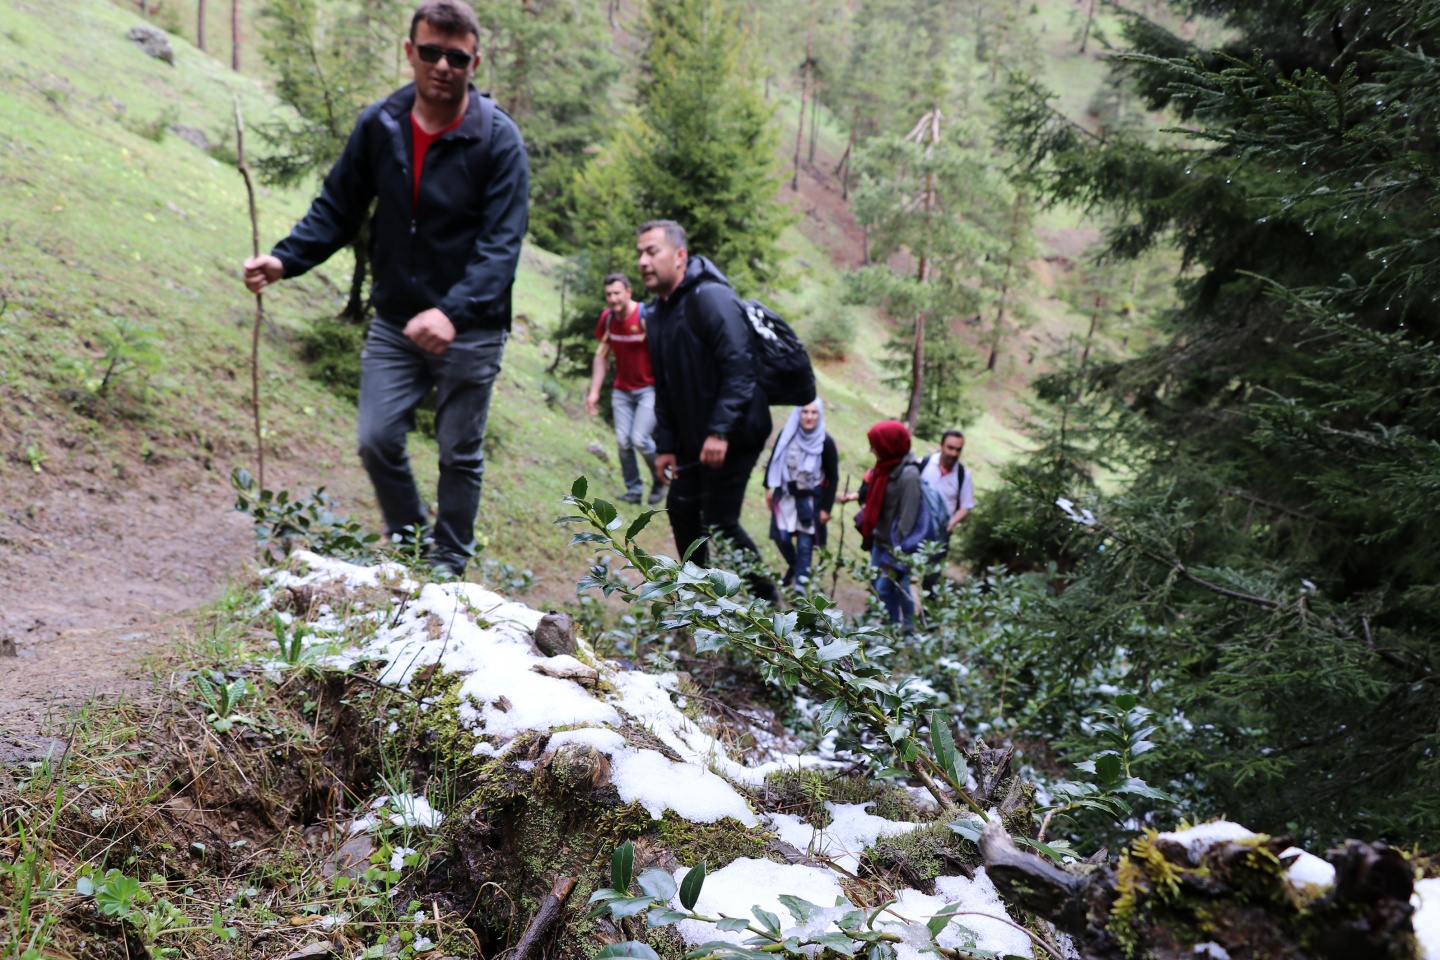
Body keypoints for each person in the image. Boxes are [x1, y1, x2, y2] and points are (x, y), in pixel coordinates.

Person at [241, 0, 529, 578]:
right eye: (430, 52)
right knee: (375, 438)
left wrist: (451, 312)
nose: (442, 66)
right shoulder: (381, 124)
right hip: (396, 318)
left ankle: (447, 568)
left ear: (476, 60)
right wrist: (284, 259)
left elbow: (502, 246)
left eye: (456, 56)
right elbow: (338, 206)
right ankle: (411, 547)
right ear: (410, 52)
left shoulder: (499, 141)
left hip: (470, 328)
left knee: (458, 452)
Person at [639, 220, 777, 601]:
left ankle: (771, 609)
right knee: (681, 507)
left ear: (679, 256)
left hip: (737, 430)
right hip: (691, 436)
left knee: (719, 517)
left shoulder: (711, 298)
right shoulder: (658, 313)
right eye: (639, 254)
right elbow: (663, 385)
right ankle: (699, 601)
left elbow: (741, 366)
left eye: (652, 251)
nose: (643, 261)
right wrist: (665, 442)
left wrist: (719, 431)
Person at [585, 273, 664, 506]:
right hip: (622, 390)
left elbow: (663, 352)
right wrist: (594, 392)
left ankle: (661, 478)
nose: (613, 298)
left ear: (628, 292)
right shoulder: (608, 319)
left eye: (617, 293)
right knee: (623, 440)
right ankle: (634, 490)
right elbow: (601, 356)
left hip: (649, 389)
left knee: (639, 439)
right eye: (608, 294)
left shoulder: (644, 316)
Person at [763, 399, 838, 591]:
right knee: (781, 537)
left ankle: (801, 584)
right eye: (805, 412)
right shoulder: (787, 435)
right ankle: (796, 567)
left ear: (819, 415)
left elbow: (833, 477)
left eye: (814, 413)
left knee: (805, 543)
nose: (809, 417)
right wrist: (768, 488)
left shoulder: (826, 442)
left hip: (810, 500)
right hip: (787, 495)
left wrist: (826, 509)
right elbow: (774, 460)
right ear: (798, 414)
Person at [855, 420, 922, 632]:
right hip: (879, 540)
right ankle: (890, 627)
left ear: (888, 445)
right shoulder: (884, 468)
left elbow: (908, 519)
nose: (871, 449)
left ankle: (900, 629)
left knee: (891, 588)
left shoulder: (909, 475)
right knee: (882, 588)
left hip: (895, 546)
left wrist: (896, 555)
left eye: (875, 444)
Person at [918, 428, 974, 592]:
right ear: (941, 445)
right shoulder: (923, 463)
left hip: (940, 532)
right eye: (950, 448)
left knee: (931, 578)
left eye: (958, 450)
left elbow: (966, 505)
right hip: (916, 526)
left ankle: (925, 615)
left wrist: (951, 524)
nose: (954, 453)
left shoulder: (963, 475)